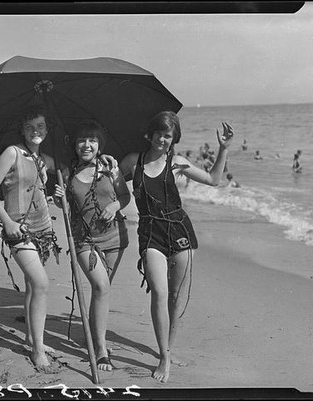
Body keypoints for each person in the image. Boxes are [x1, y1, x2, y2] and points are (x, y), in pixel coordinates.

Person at [120, 111, 233, 383]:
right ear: (150, 133)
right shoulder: (133, 162)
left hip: (180, 231)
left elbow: (213, 180)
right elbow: (114, 187)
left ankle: (167, 350)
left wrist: (223, 148)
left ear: (174, 138)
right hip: (150, 233)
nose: (162, 139)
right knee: (159, 291)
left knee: (176, 296)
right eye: (159, 133)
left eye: (168, 135)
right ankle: (164, 356)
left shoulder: (177, 163)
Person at [0, 105, 61, 372]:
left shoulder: (43, 160)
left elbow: (42, 188)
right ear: (22, 130)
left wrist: (55, 195)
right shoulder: (12, 153)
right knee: (41, 284)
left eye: (40, 126)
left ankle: (30, 337)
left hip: (43, 229)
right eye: (30, 127)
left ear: (47, 130)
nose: (35, 131)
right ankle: (38, 349)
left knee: (31, 285)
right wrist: (7, 221)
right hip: (19, 230)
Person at [54, 120, 130, 372]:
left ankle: (92, 334)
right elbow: (65, 211)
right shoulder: (67, 172)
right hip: (84, 240)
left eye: (92, 140)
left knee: (101, 291)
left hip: (115, 238)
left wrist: (114, 206)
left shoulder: (110, 167)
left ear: (100, 144)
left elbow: (125, 197)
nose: (87, 145)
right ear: (74, 145)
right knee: (101, 286)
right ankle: (100, 350)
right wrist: (58, 200)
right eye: (81, 140)